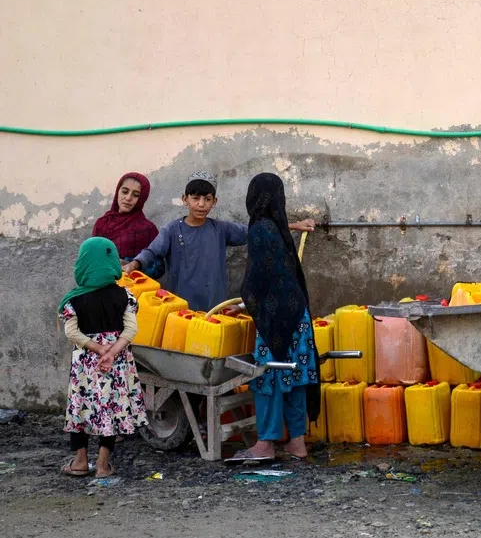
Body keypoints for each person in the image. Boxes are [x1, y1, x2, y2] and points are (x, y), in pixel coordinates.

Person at [124, 171, 314, 312]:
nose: (201, 204)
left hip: (214, 308)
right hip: (179, 310)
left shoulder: (221, 229)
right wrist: (134, 263)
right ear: (185, 199)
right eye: (195, 198)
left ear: (214, 202)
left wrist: (296, 225)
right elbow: (152, 251)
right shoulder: (172, 230)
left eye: (207, 199)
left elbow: (256, 229)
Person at [230, 173, 319, 462]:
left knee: (266, 377)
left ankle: (265, 443)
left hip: (275, 319)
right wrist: (246, 306)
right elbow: (282, 275)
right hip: (298, 316)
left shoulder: (259, 229)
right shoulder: (279, 228)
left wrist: (247, 303)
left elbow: (260, 278)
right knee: (294, 376)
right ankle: (297, 443)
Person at [59, 237, 147, 478]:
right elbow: (131, 330)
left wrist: (97, 349)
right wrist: (111, 351)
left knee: (81, 409)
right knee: (110, 409)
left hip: (86, 365)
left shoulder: (74, 299)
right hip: (116, 364)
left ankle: (79, 462)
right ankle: (102, 465)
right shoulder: (125, 296)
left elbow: (71, 332)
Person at [92, 172, 163, 278]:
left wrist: (132, 264)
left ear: (142, 198)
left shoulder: (148, 229)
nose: (128, 198)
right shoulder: (102, 224)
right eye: (124, 192)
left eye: (136, 195)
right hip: (103, 287)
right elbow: (91, 259)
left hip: (135, 291)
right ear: (117, 192)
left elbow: (159, 269)